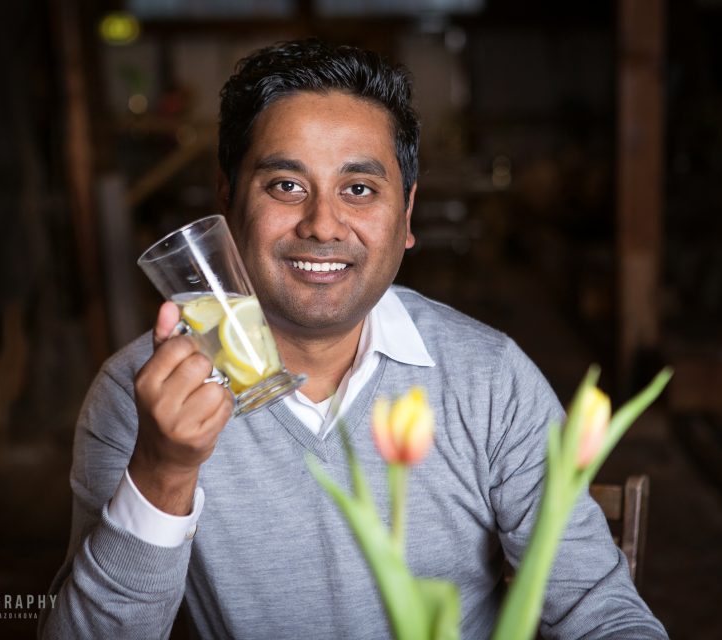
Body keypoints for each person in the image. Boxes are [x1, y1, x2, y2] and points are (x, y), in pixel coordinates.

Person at [40, 40, 668, 639]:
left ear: (407, 215)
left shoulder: (490, 379)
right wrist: (162, 471)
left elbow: (603, 615)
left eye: (359, 189)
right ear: (228, 205)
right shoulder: (140, 393)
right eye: (286, 185)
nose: (322, 225)